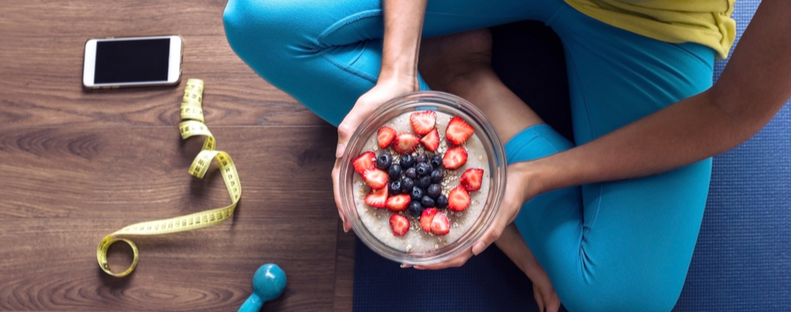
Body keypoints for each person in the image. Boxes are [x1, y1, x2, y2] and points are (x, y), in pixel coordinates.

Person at [223, 0, 791, 310]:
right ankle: (433, 84)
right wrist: (397, 70)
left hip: (656, 21)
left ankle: (467, 81)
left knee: (624, 302)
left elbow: (732, 111)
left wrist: (528, 178)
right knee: (257, 22)